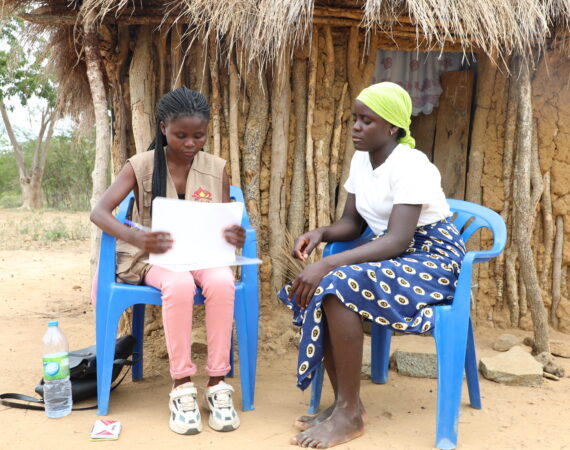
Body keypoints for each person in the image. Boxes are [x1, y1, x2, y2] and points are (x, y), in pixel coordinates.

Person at [278, 82, 466, 448]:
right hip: (395, 253)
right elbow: (354, 223)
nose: (356, 127)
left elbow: (397, 239)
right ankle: (349, 406)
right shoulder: (362, 160)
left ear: (392, 127)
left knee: (335, 281)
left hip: (432, 258)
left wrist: (327, 263)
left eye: (367, 120)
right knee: (327, 283)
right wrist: (321, 232)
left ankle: (349, 414)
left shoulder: (411, 165)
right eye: (354, 119)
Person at [91, 87, 244, 435]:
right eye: (181, 135)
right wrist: (134, 236)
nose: (191, 143)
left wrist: (233, 234)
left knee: (221, 281)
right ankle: (182, 385)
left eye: (198, 136)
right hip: (154, 258)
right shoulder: (141, 165)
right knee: (178, 283)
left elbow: (223, 222)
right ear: (163, 129)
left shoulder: (215, 167)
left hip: (201, 255)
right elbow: (100, 212)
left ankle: (217, 383)